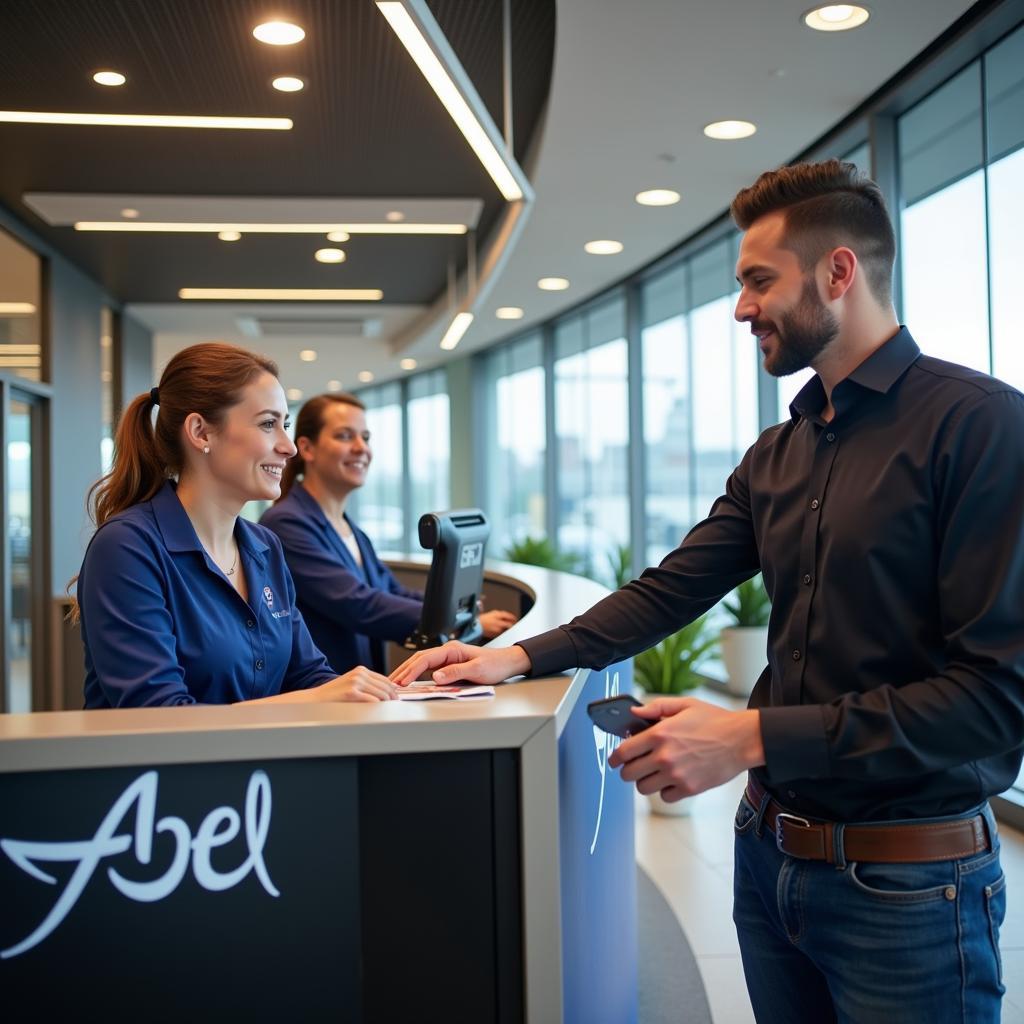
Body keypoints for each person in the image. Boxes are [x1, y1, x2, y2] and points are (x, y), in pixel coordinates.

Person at [392, 160, 1024, 1022]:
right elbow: (668, 591)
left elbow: (993, 701)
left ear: (839, 272)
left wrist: (752, 735)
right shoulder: (779, 453)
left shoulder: (981, 426)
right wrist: (511, 657)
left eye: (760, 281)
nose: (740, 308)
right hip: (768, 864)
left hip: (910, 890)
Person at [74, 342, 398, 708]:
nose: (289, 447)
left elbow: (308, 675)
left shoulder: (264, 546)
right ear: (200, 432)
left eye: (285, 425)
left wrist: (373, 694)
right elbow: (157, 714)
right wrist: (312, 700)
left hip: (263, 764)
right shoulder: (126, 548)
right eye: (268, 424)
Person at [259, 392, 516, 676]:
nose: (361, 448)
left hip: (362, 687)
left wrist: (451, 606)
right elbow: (357, 603)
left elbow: (390, 590)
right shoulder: (285, 523)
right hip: (325, 690)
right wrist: (450, 618)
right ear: (306, 449)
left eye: (365, 438)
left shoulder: (350, 529)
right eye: (345, 436)